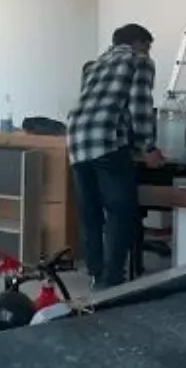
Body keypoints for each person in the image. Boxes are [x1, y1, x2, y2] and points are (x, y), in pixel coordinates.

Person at [67, 23, 164, 290]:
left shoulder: (94, 65)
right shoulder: (139, 60)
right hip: (107, 141)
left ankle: (96, 273)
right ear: (139, 42)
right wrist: (148, 148)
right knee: (120, 211)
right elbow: (140, 105)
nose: (149, 50)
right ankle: (112, 281)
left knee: (90, 212)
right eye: (148, 45)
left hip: (76, 139)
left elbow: (103, 106)